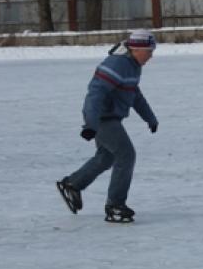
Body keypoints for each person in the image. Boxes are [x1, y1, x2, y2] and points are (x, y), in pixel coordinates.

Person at [57, 29, 158, 222]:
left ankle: (73, 184)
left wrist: (150, 118)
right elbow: (95, 94)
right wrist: (90, 125)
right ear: (137, 49)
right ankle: (115, 206)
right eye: (149, 51)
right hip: (102, 119)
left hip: (111, 117)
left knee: (106, 157)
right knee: (126, 154)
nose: (151, 56)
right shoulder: (117, 64)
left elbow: (134, 94)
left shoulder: (132, 65)